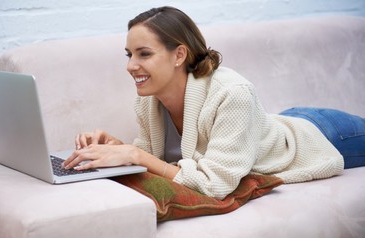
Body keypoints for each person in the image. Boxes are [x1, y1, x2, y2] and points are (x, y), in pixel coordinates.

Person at [63, 6, 365, 200]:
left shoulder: (232, 93)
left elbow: (216, 183)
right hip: (268, 127)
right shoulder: (149, 100)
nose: (131, 66)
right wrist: (118, 148)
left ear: (179, 55)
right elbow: (157, 156)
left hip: (318, 136)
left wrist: (135, 156)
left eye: (144, 53)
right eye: (128, 55)